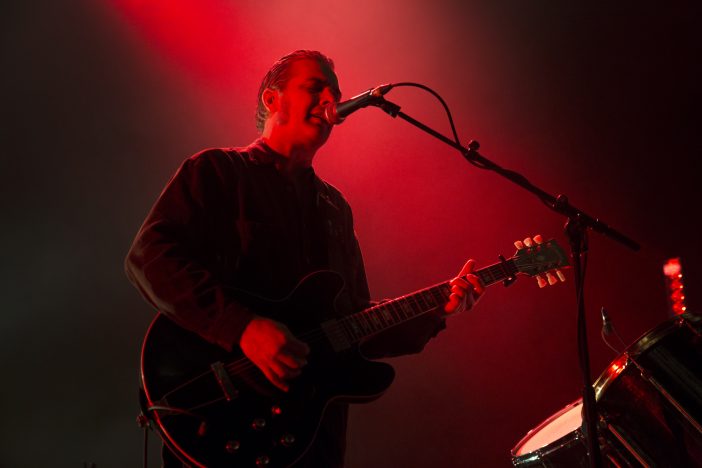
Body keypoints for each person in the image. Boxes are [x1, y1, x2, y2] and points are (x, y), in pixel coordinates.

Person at [125, 49, 484, 467]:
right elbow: (149, 256)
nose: (330, 99)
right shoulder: (217, 172)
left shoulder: (334, 208)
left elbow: (354, 320)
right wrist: (241, 328)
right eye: (315, 87)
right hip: (222, 410)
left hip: (309, 438)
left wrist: (439, 308)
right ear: (271, 99)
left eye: (335, 92)